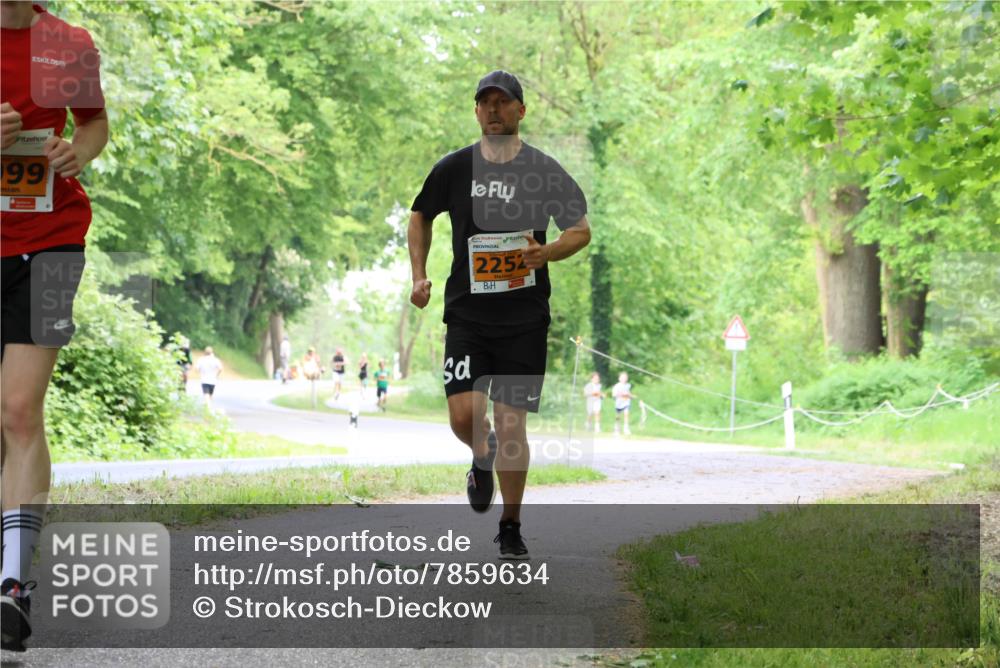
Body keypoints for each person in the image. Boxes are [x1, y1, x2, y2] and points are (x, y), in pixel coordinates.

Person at [408, 70, 590, 560]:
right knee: (463, 416)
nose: (493, 110)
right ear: (476, 111)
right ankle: (479, 454)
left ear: (520, 110)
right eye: (484, 102)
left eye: (502, 102)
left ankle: (510, 525)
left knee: (513, 427)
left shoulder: (545, 171)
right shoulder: (454, 168)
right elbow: (420, 213)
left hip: (524, 320)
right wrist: (418, 274)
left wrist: (546, 253)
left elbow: (580, 230)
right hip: (467, 314)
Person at [1, 1, 108, 652]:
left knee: (18, 410)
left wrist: (77, 151)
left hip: (54, 239)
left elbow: (95, 126)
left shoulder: (66, 42)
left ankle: (14, 585)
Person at [196, 347, 223, 412]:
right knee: (210, 394)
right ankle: (208, 406)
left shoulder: (201, 360)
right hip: (213, 380)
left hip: (204, 379)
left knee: (206, 394)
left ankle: (208, 406)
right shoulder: (215, 360)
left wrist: (200, 373)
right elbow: (220, 368)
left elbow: (196, 368)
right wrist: (217, 375)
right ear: (212, 352)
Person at [612, 372, 634, 436]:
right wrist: (622, 394)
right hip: (619, 403)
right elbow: (614, 395)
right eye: (623, 377)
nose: (624, 379)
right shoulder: (617, 386)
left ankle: (626, 428)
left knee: (626, 414)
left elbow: (629, 393)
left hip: (626, 402)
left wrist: (631, 396)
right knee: (618, 416)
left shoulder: (628, 385)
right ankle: (616, 428)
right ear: (619, 378)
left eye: (625, 377)